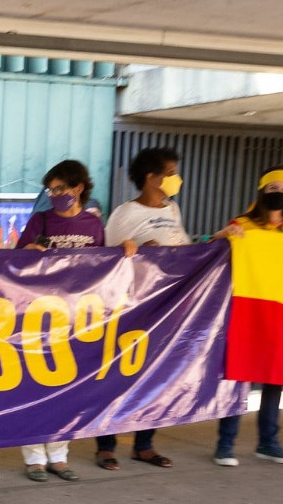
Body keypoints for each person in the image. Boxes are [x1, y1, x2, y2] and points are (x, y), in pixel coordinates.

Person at [95, 147, 186, 470]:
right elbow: (109, 261)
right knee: (118, 375)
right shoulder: (125, 214)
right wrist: (143, 252)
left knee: (156, 375)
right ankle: (106, 445)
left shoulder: (173, 209)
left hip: (167, 305)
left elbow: (183, 249)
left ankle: (144, 444)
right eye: (171, 172)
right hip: (130, 307)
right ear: (152, 177)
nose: (176, 178)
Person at [15, 161, 106, 482]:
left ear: (79, 188)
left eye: (61, 189)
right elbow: (15, 259)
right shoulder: (41, 219)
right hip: (41, 316)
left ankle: (59, 455)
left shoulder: (94, 224)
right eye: (51, 190)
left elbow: (104, 268)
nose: (55, 195)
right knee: (36, 386)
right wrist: (29, 249)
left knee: (69, 389)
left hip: (78, 319)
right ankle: (34, 458)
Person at [213, 167, 283, 466]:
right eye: (275, 187)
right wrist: (225, 235)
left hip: (280, 310)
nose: (281, 193)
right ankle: (225, 445)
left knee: (274, 378)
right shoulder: (243, 224)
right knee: (240, 375)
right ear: (263, 191)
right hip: (247, 309)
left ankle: (269, 442)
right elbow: (214, 249)